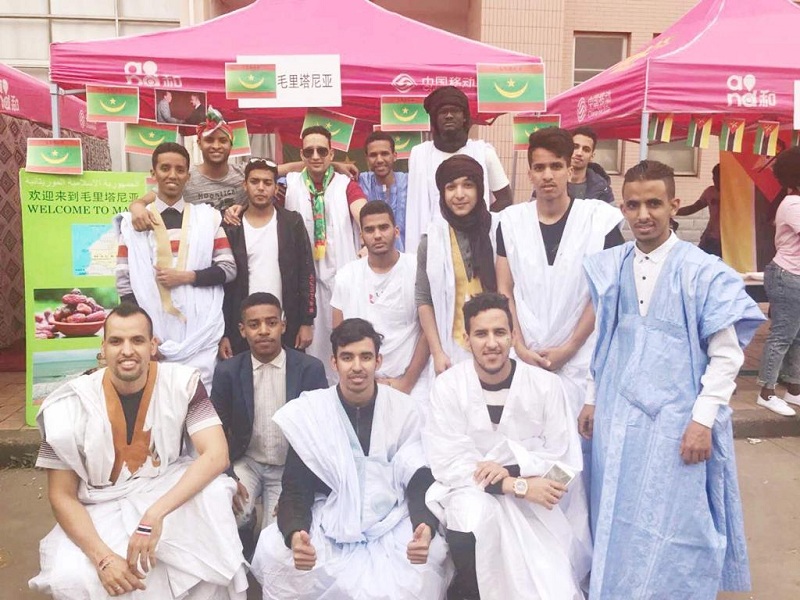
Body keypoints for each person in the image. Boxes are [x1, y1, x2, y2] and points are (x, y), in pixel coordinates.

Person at [578, 160, 765, 599]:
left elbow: (726, 356)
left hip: (678, 425)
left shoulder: (704, 272)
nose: (643, 215)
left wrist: (702, 421)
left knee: (678, 520)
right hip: (618, 423)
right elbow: (603, 341)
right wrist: (592, 397)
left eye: (654, 204)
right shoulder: (611, 267)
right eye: (633, 205)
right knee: (616, 512)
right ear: (623, 209)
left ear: (674, 205)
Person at [29, 303, 248, 599]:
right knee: (72, 576)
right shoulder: (67, 405)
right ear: (103, 348)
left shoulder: (182, 383)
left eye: (137, 340)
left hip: (164, 495)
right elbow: (61, 495)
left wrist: (153, 516)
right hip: (99, 506)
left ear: (152, 346)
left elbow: (216, 454)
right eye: (116, 341)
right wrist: (103, 559)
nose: (127, 351)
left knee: (215, 493)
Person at [250, 318, 450, 599]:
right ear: (334, 362)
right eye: (347, 357)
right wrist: (296, 534)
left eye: (365, 357)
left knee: (432, 552)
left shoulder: (406, 411)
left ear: (378, 361)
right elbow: (295, 487)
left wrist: (424, 526)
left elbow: (420, 480)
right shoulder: (311, 412)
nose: (357, 366)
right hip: (330, 520)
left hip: (391, 521)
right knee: (273, 548)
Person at [424, 293, 590, 600]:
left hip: (537, 510)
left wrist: (528, 479)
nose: (491, 343)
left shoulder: (547, 386)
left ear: (513, 336)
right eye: (481, 334)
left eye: (499, 332)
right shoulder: (447, 387)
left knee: (553, 590)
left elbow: (567, 465)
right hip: (472, 493)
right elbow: (448, 462)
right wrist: (515, 483)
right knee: (473, 518)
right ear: (466, 339)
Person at [497, 127, 623, 419]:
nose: (547, 175)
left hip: (581, 358)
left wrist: (570, 347)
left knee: (577, 440)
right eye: (539, 167)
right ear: (529, 173)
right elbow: (504, 289)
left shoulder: (598, 220)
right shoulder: (511, 222)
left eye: (555, 166)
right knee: (526, 437)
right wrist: (519, 345)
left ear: (570, 169)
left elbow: (605, 293)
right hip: (525, 356)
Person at [211, 293, 328, 557]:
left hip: (289, 467)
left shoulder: (309, 369)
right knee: (224, 510)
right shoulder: (228, 371)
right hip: (247, 462)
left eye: (271, 323)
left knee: (276, 540)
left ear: (283, 325)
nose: (263, 331)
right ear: (242, 330)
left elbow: (319, 435)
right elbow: (215, 430)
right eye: (254, 325)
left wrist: (296, 490)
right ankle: (245, 529)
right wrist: (228, 476)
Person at [115, 142, 236, 389]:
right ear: (153, 173)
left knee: (200, 400)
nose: (172, 175)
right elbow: (124, 283)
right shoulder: (133, 223)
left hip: (201, 334)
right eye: (165, 168)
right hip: (155, 339)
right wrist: (144, 336)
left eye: (180, 170)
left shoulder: (207, 218)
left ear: (188, 176)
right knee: (158, 400)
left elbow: (228, 269)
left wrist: (186, 277)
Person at [130, 108, 359, 226]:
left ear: (231, 144)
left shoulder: (244, 172)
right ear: (199, 143)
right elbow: (146, 200)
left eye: (222, 140)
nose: (216, 146)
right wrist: (137, 208)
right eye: (210, 140)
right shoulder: (186, 177)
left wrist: (334, 164)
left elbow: (288, 167)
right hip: (201, 254)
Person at [284, 125, 367, 381]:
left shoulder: (345, 185)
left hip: (341, 279)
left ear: (331, 153)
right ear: (302, 154)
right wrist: (335, 164)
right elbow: (262, 172)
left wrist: (367, 238)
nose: (316, 156)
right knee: (311, 349)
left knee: (345, 342)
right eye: (309, 151)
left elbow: (363, 212)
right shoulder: (290, 183)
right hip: (306, 284)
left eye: (322, 151)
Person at [331, 201, 429, 402]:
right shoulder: (346, 276)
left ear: (396, 231)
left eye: (383, 227)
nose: (377, 235)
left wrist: (406, 383)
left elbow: (428, 330)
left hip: (414, 384)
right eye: (369, 230)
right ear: (361, 236)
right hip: (360, 384)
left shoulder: (416, 269)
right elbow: (339, 337)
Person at [220, 158, 317, 358]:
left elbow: (306, 272)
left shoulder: (291, 222)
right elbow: (224, 286)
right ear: (244, 185)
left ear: (276, 188)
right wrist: (225, 333)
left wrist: (307, 322)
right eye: (254, 182)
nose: (261, 188)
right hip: (242, 328)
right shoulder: (231, 226)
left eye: (267, 182)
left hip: (287, 324)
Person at [416, 155, 499, 376]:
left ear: (480, 189)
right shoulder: (432, 241)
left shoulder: (499, 230)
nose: (459, 194)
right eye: (451, 187)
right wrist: (437, 352)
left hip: (498, 347)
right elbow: (424, 300)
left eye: (468, 185)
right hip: (452, 351)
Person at [405, 86, 513, 251]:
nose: (449, 115)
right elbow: (415, 210)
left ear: (464, 117)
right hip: (433, 246)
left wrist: (480, 220)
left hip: (475, 245)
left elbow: (505, 199)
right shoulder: (420, 154)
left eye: (455, 111)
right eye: (443, 112)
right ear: (435, 119)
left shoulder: (483, 152)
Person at [756, 148, 800, 416]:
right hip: (788, 276)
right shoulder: (792, 204)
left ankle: (794, 389)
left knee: (797, 336)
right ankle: (766, 391)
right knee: (782, 335)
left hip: (794, 276)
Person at [358, 131, 409, 250]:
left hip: (409, 256)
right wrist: (338, 165)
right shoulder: (361, 182)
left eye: (384, 153)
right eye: (373, 155)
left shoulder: (409, 182)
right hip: (373, 257)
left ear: (394, 156)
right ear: (367, 159)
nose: (379, 160)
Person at [677, 163, 722, 257]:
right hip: (710, 237)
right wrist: (672, 212)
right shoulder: (710, 192)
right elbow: (694, 208)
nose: (714, 179)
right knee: (699, 259)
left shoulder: (735, 194)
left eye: (717, 176)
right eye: (713, 176)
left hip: (727, 241)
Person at [569, 126, 614, 204]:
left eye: (586, 149)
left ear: (592, 156)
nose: (579, 153)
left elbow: (612, 211)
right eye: (575, 147)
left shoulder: (603, 189)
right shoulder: (554, 181)